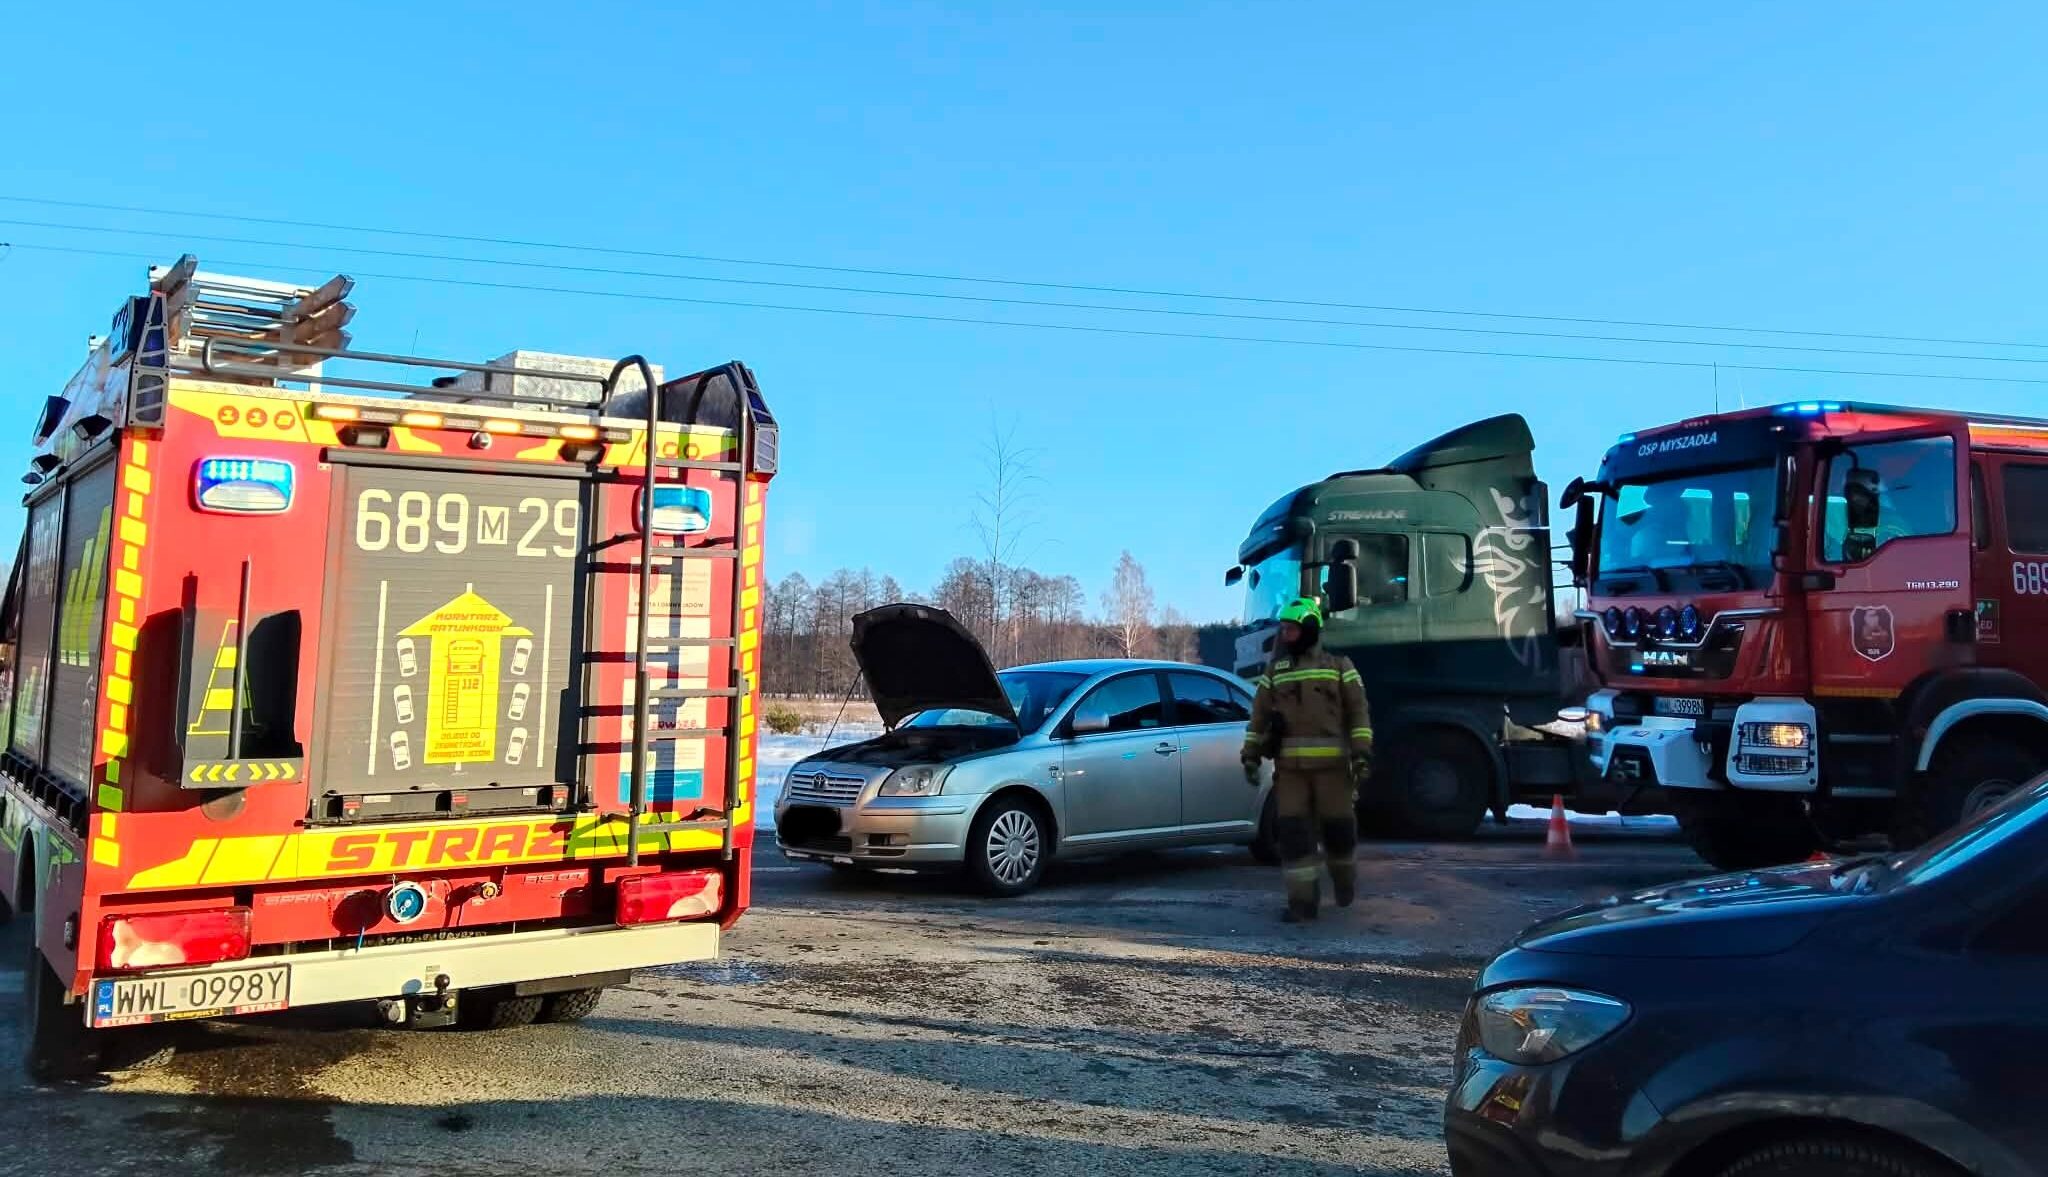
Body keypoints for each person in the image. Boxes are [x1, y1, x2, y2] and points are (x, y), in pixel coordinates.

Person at [1241, 597, 1373, 923]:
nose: (1285, 635)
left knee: (1339, 834)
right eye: (1284, 629)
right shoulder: (1276, 672)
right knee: (1294, 838)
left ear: (1310, 629)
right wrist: (1250, 756)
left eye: (1292, 629)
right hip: (1291, 774)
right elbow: (1258, 717)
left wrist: (1361, 754)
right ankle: (1302, 904)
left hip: (1333, 772)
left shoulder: (1339, 667)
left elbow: (1358, 713)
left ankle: (1344, 880)